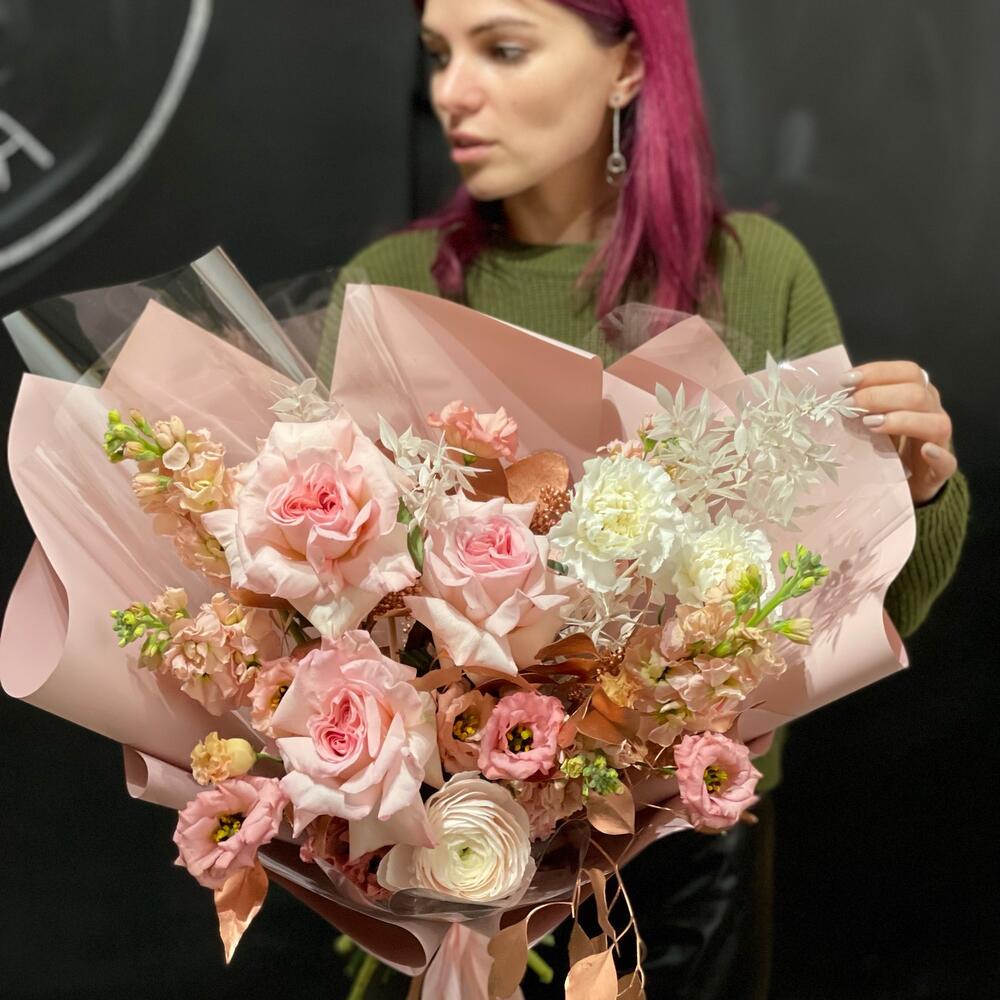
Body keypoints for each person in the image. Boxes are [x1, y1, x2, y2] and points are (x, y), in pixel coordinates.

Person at [316, 1, 970, 996]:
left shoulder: (752, 274)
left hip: (687, 863)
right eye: (439, 55)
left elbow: (857, 610)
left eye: (502, 49)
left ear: (626, 66)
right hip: (446, 860)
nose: (452, 91)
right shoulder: (395, 287)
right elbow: (338, 611)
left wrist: (912, 492)